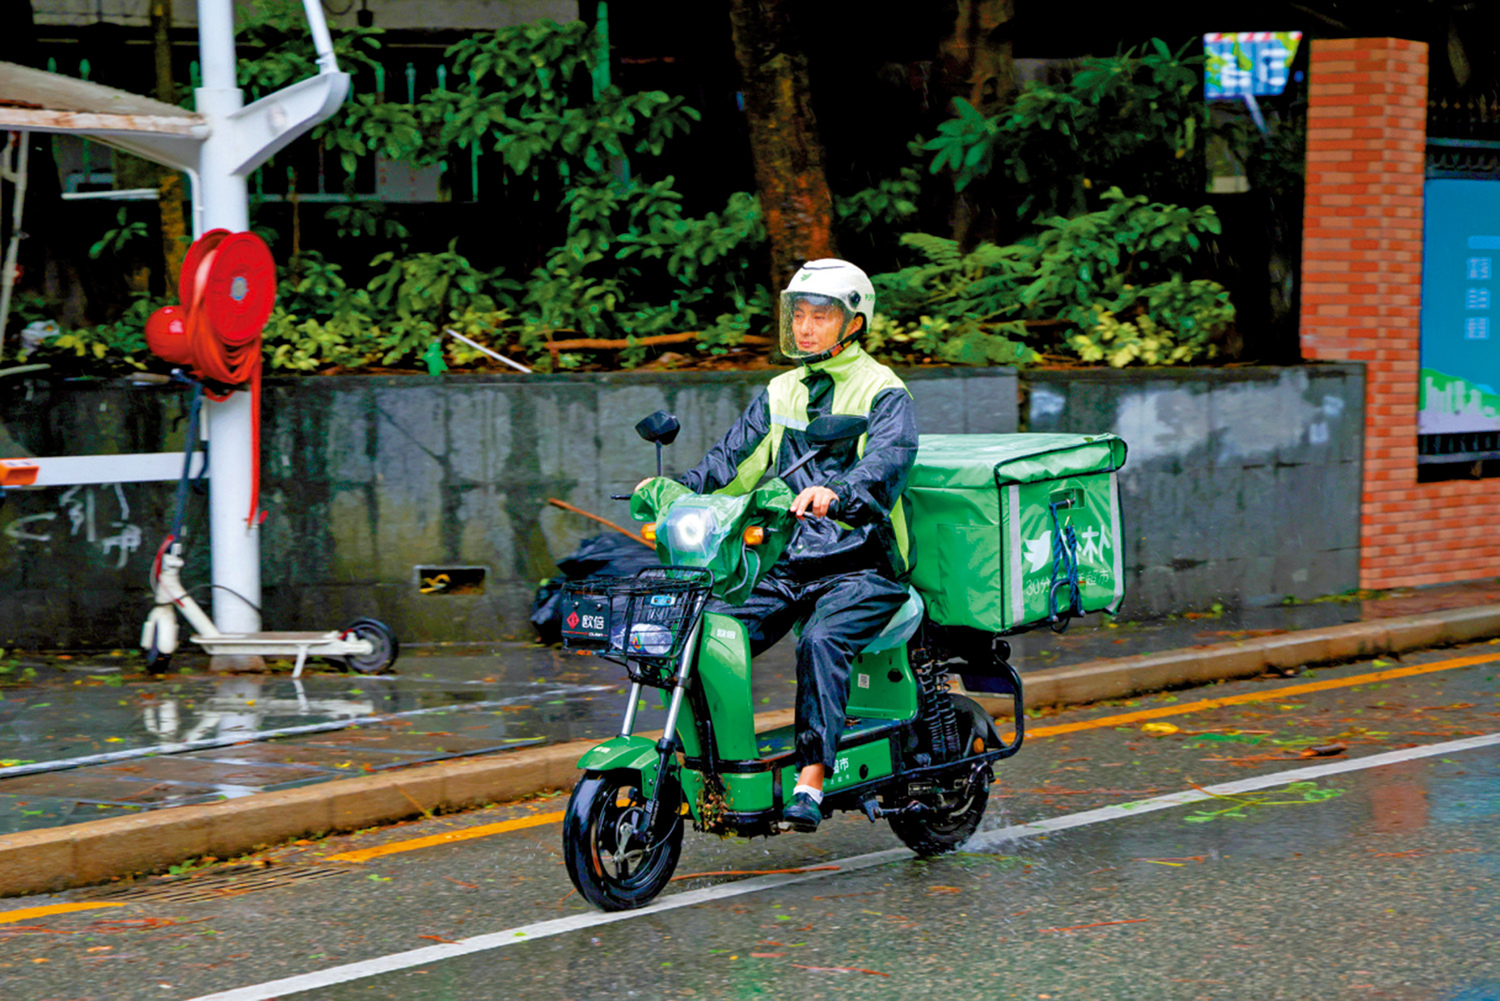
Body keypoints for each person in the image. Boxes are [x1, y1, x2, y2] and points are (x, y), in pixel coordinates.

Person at [642, 259, 918, 832]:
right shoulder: (781, 390)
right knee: (708, 628)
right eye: (799, 315)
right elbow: (731, 465)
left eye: (821, 316)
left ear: (854, 323)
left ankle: (812, 780)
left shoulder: (883, 391)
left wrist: (837, 491)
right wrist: (674, 491)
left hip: (863, 564)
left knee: (819, 639)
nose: (806, 328)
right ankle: (716, 768)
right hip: (788, 560)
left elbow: (887, 464)